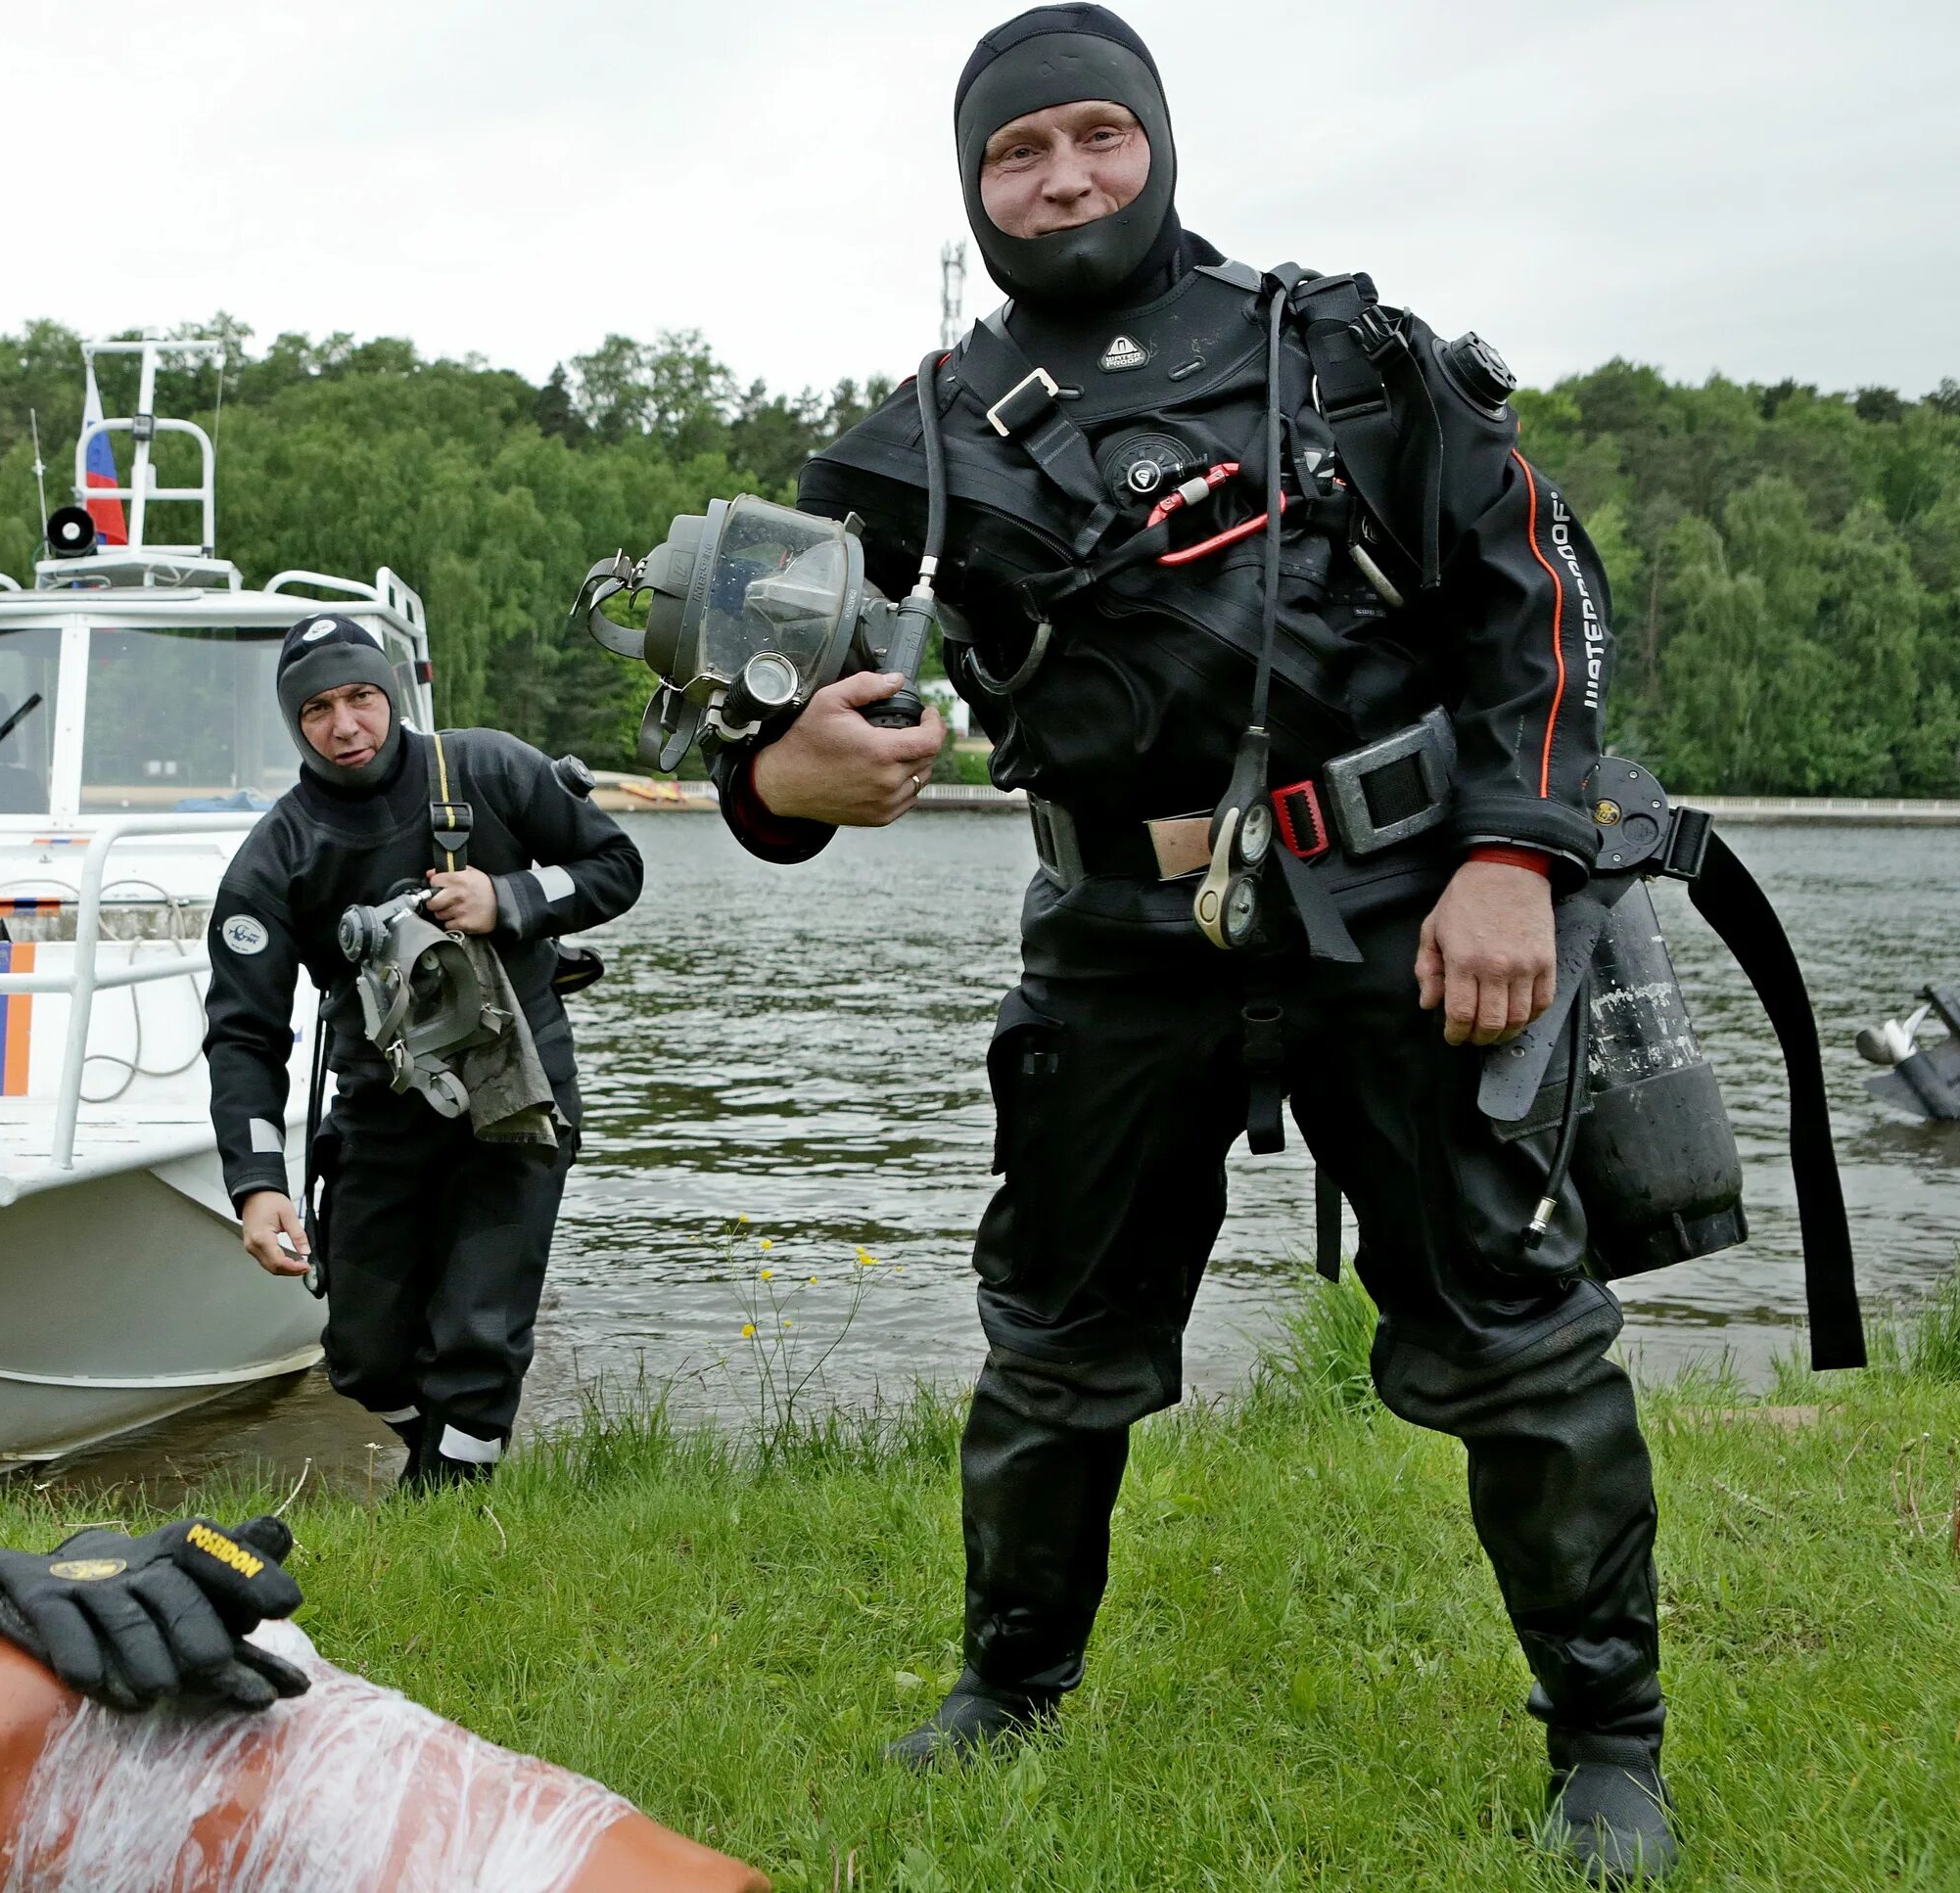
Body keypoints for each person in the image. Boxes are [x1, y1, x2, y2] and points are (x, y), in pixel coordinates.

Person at [710, 8, 1672, 1880]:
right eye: (1016, 153)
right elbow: (755, 682)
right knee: (1057, 1342)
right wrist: (783, 770)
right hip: (1113, 930)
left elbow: (1543, 602)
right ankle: (1007, 1687)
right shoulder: (913, 431)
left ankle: (1611, 1742)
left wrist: (1510, 854)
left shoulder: (1348, 356)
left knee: (1513, 1338)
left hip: (1403, 908)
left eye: (1096, 136)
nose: (1061, 178)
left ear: (1159, 141)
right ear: (969, 185)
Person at [205, 614, 643, 1493]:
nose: (346, 726)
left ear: (390, 692)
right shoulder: (278, 855)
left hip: (514, 1092)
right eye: (319, 708)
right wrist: (256, 1186)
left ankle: (451, 1502)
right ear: (296, 721)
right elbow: (245, 1033)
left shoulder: (486, 768)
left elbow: (614, 866)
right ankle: (433, 1460)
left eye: (362, 697)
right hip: (382, 1103)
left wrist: (509, 895)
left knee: (478, 1332)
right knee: (362, 1357)